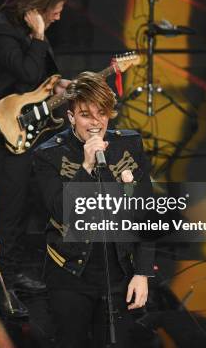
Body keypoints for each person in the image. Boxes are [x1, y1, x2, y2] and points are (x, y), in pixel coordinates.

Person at [33, 72, 154, 347]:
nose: (96, 122)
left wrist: (142, 272)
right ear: (71, 116)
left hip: (121, 273)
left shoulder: (128, 144)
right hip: (70, 274)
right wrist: (86, 168)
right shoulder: (49, 154)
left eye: (102, 113)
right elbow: (60, 211)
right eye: (86, 114)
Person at [0, 0, 70, 309]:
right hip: (4, 130)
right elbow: (26, 74)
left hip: (33, 127)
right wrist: (40, 36)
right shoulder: (3, 30)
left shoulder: (29, 31)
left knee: (31, 202)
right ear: (39, 6)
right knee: (10, 208)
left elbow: (38, 79)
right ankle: (3, 281)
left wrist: (58, 86)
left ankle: (17, 272)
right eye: (55, 9)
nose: (59, 16)